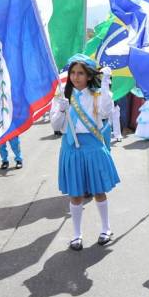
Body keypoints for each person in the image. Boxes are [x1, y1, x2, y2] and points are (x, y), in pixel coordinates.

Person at [50, 54, 119, 251]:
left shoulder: (97, 95)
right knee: (76, 192)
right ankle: (76, 234)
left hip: (92, 146)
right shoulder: (63, 95)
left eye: (80, 73)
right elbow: (56, 126)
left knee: (99, 190)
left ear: (89, 76)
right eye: (72, 72)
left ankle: (106, 228)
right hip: (71, 147)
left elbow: (106, 113)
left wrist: (105, 84)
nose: (75, 77)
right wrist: (61, 110)